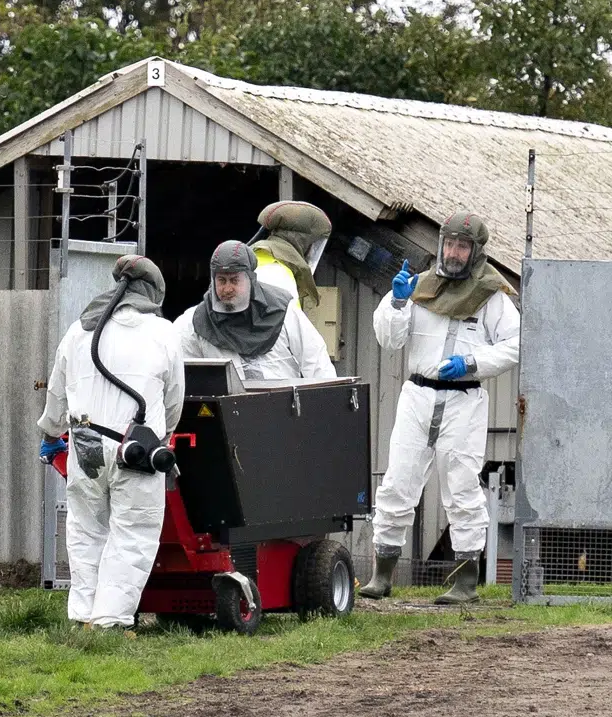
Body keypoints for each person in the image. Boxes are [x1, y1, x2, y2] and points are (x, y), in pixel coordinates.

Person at [359, 210, 520, 604]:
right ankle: (381, 577)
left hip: (464, 399)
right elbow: (389, 340)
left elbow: (517, 344)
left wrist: (473, 363)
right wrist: (396, 303)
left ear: (476, 251)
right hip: (417, 395)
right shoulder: (419, 286)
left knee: (462, 486)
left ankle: (466, 584)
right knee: (398, 482)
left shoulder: (491, 297)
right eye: (449, 243)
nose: (453, 251)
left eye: (462, 246)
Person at [37, 256, 184, 631]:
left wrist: (51, 433)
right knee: (132, 532)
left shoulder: (79, 330)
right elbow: (173, 400)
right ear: (153, 292)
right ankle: (110, 622)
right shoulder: (163, 332)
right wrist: (161, 435)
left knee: (86, 530)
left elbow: (56, 393)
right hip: (134, 450)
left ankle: (82, 615)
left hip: (84, 443)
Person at [175, 240, 336, 381]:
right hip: (226, 412)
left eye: (234, 280)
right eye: (222, 280)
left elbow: (316, 364)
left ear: (250, 278)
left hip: (281, 409)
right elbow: (177, 373)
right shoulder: (195, 321)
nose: (227, 288)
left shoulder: (283, 311)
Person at [251, 200, 333, 313]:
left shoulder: (258, 258)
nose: (312, 250)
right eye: (314, 244)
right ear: (303, 240)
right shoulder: (277, 273)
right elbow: (288, 327)